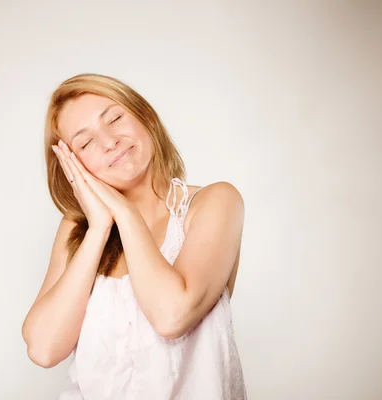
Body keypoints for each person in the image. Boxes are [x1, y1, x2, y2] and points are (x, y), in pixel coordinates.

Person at [21, 73, 247, 399]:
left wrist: (124, 212)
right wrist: (99, 228)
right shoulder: (78, 229)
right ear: (73, 165)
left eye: (114, 118)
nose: (109, 141)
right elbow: (43, 349)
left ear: (145, 116)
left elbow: (173, 315)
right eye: (85, 143)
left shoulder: (214, 203)